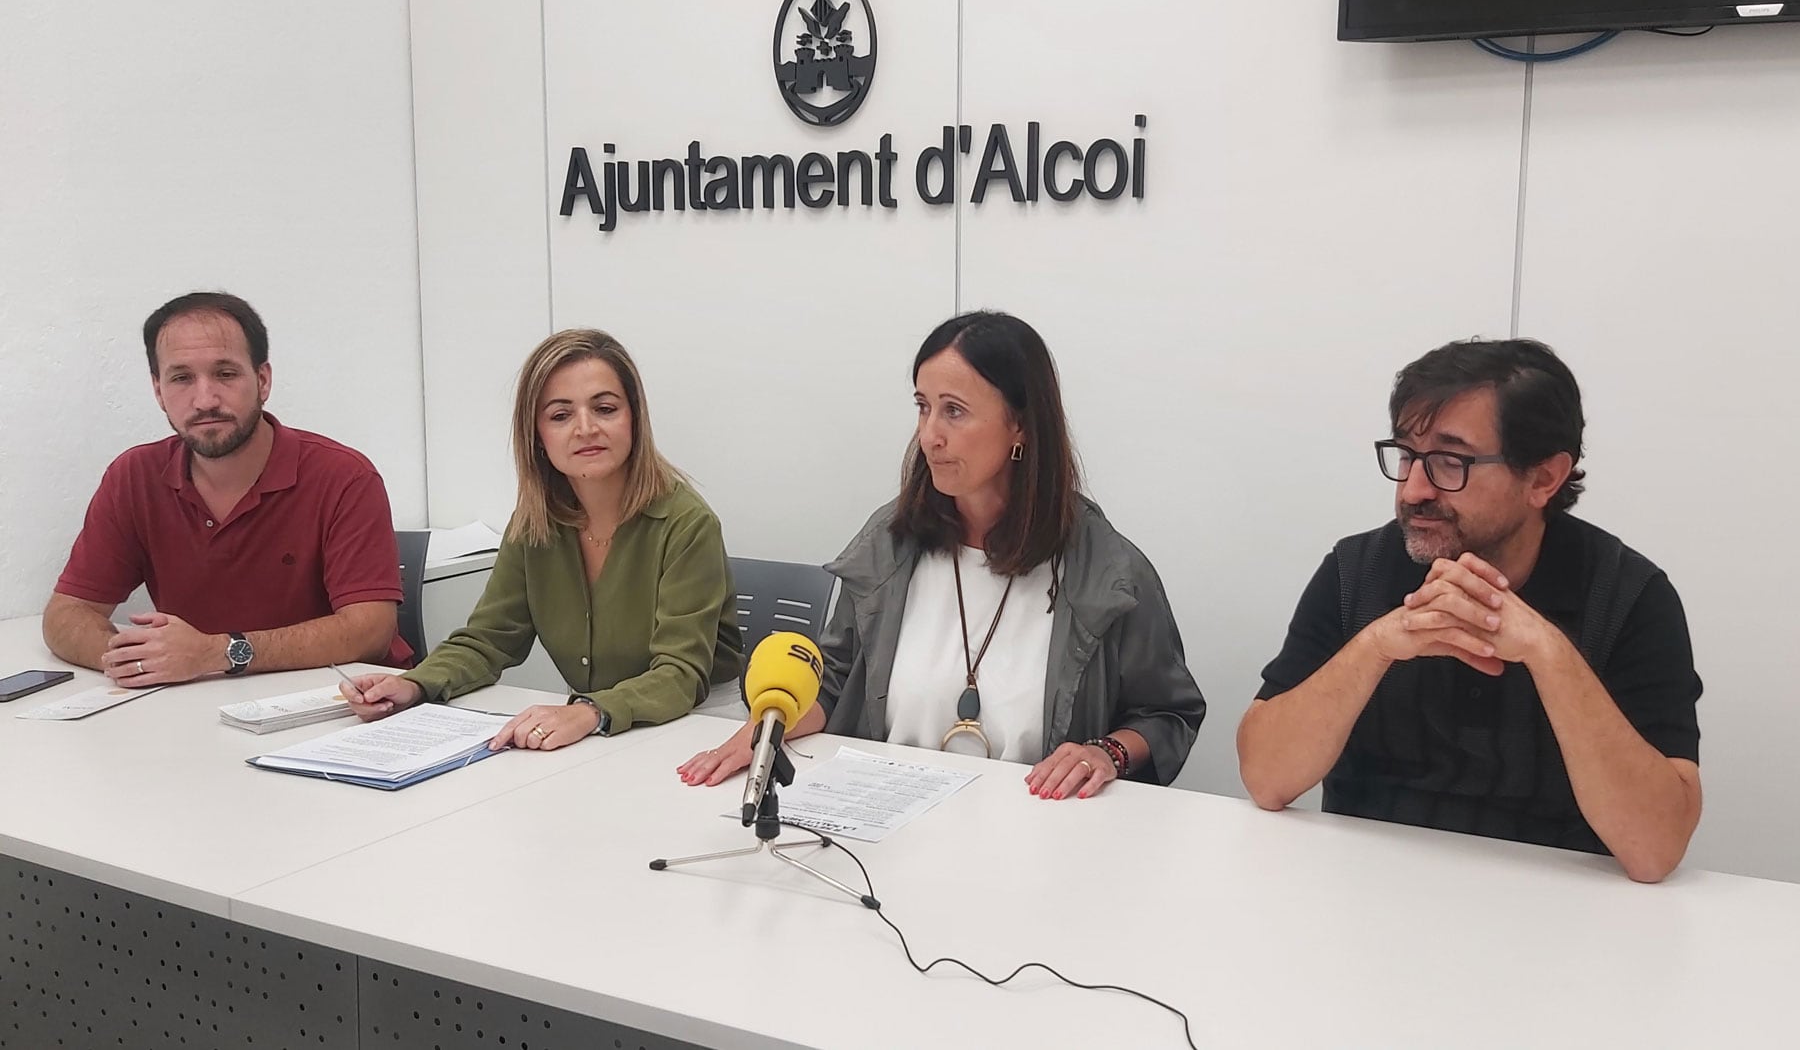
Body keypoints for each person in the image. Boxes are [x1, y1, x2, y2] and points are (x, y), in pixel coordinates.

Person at [679, 311, 1205, 798]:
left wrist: (1108, 752)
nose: (930, 436)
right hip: (885, 819)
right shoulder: (888, 544)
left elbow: (1167, 713)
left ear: (1020, 424)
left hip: (1038, 836)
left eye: (954, 411)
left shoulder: (1108, 572)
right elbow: (836, 681)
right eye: (923, 407)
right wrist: (765, 728)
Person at [1237, 338, 1702, 882]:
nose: (1412, 490)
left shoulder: (1629, 595)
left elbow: (1655, 850)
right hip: (1365, 888)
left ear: (1543, 478)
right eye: (1408, 456)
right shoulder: (1354, 571)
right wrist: (1377, 645)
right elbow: (1265, 778)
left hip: (1562, 908)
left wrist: (1548, 652)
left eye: (1449, 462)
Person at [342, 329, 742, 751]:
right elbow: (490, 640)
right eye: (560, 415)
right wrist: (414, 685)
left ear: (635, 419)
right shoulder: (536, 522)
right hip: (593, 723)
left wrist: (588, 713)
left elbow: (680, 674)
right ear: (537, 434)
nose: (585, 429)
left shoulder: (686, 522)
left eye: (605, 408)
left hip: (699, 724)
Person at [43, 291, 408, 686]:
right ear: (158, 391)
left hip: (341, 701)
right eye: (181, 378)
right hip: (199, 703)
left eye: (225, 374)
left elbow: (371, 630)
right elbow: (66, 615)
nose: (205, 399)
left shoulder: (343, 475)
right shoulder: (134, 476)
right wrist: (139, 661)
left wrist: (216, 653)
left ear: (262, 380)